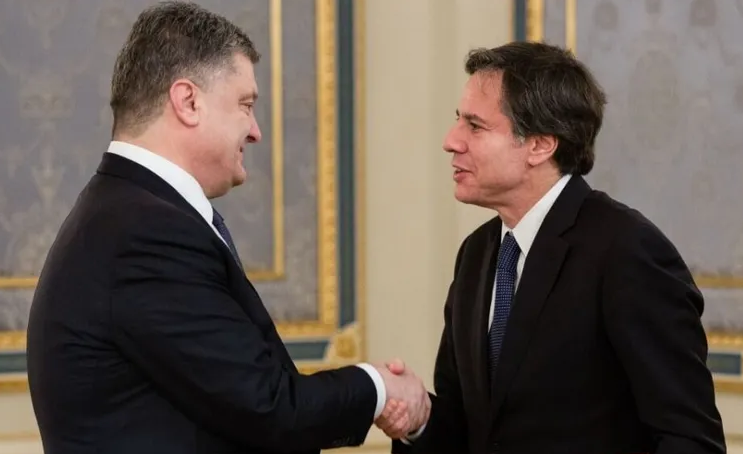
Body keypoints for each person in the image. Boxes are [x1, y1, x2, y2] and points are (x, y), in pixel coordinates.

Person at [25, 2, 428, 453]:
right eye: (245, 105)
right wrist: (378, 387)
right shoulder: (145, 234)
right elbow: (269, 408)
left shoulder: (123, 213)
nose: (255, 131)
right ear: (188, 102)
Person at [381, 42, 726, 453]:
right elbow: (472, 432)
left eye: (475, 126)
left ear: (540, 145)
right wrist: (419, 421)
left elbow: (690, 440)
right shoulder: (476, 253)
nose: (451, 141)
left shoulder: (626, 250)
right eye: (459, 120)